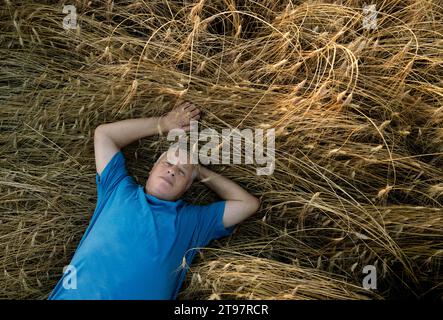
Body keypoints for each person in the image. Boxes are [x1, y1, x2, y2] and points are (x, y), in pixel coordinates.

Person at [48, 100, 260, 300]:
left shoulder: (193, 221)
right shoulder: (118, 189)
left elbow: (247, 204)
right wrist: (165, 123)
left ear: (187, 187)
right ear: (151, 170)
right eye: (167, 162)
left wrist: (199, 171)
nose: (172, 171)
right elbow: (104, 135)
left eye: (181, 172)